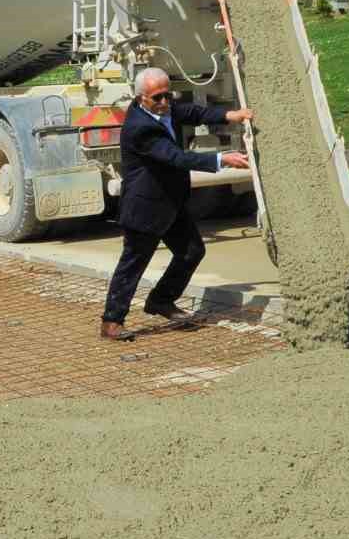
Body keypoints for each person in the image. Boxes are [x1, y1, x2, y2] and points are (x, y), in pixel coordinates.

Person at [101, 67, 253, 341]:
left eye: (167, 96)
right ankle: (111, 321)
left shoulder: (166, 109)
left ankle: (161, 300)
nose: (164, 103)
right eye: (157, 98)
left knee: (191, 251)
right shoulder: (140, 128)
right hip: (145, 208)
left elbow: (195, 113)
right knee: (133, 264)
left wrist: (232, 115)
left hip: (170, 203)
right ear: (141, 98)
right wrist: (221, 160)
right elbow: (176, 158)